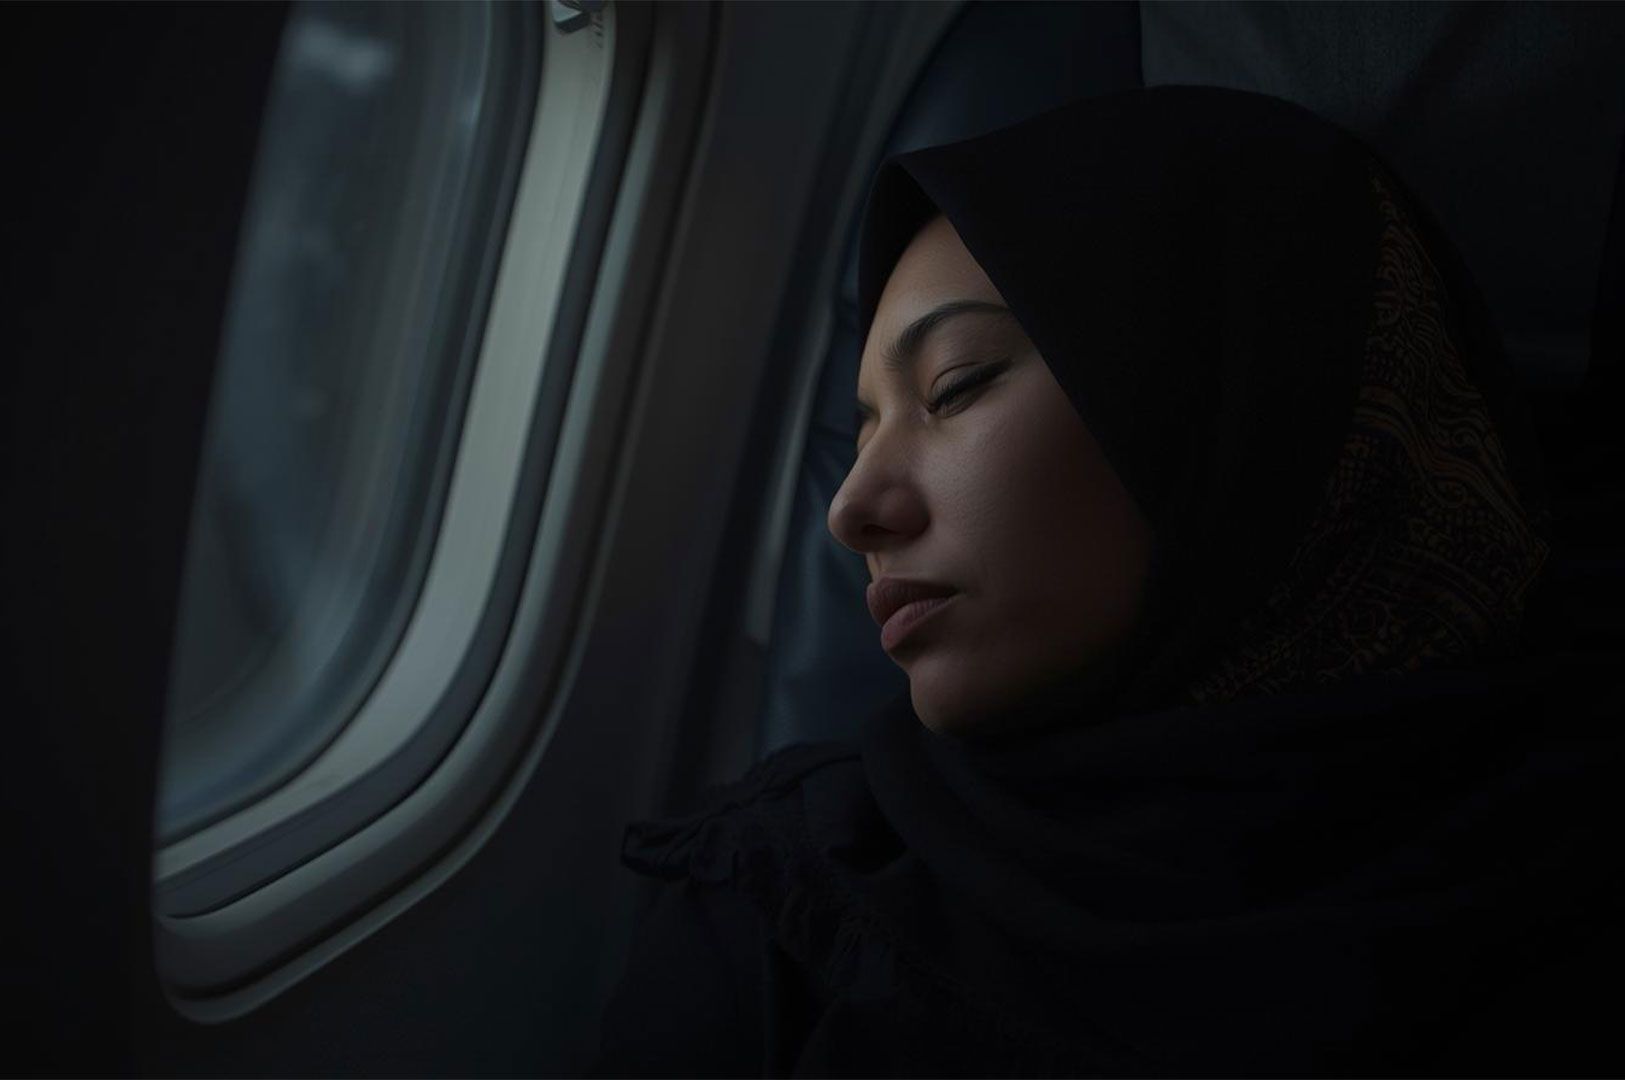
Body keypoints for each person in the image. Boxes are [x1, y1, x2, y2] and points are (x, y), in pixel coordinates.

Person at [592, 87, 1625, 1077]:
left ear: (1239, 415)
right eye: (860, 428)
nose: (850, 507)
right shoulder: (786, 913)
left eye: (953, 386)